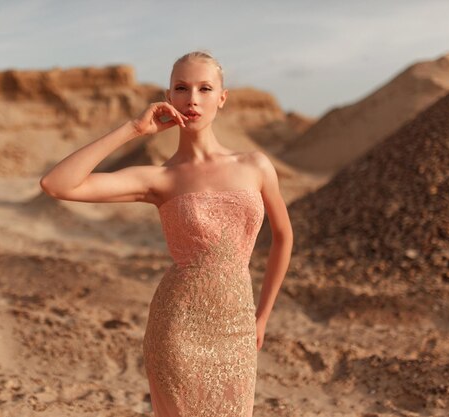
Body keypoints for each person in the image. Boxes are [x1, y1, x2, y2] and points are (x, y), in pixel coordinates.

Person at [40, 50, 293, 416]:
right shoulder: (160, 179)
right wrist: (133, 129)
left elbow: (283, 237)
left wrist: (262, 317)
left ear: (222, 98)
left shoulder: (255, 165)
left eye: (205, 88)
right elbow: (56, 184)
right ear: (169, 97)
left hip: (237, 328)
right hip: (178, 330)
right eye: (181, 88)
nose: (192, 98)